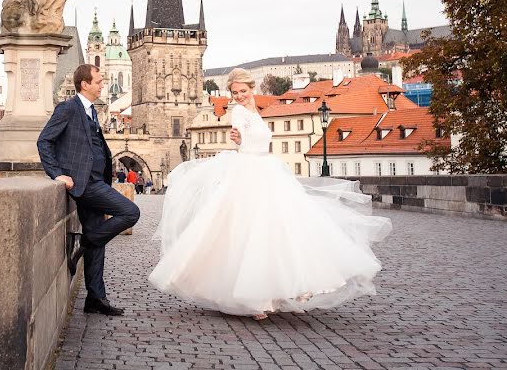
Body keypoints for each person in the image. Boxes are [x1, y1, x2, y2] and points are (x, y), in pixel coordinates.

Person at [149, 68, 391, 320]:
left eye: (243, 91)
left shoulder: (256, 111)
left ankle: (285, 287)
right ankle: (260, 297)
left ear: (252, 89)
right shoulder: (240, 113)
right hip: (250, 172)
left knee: (280, 229)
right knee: (254, 232)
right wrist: (238, 138)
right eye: (234, 93)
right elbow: (239, 138)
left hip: (268, 169)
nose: (240, 96)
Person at [38, 64, 141, 316]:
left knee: (99, 239)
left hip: (96, 181)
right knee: (130, 212)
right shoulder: (68, 108)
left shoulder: (91, 110)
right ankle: (83, 241)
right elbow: (44, 140)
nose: (102, 84)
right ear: (84, 84)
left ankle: (95, 298)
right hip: (85, 183)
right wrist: (57, 174)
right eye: (98, 80)